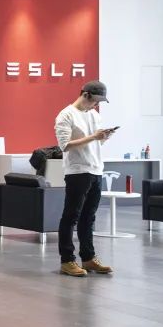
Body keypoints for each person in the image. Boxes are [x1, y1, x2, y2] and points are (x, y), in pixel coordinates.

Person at [54, 80, 116, 277]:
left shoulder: (94, 115)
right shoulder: (66, 115)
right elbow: (65, 145)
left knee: (89, 217)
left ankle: (88, 258)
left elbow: (95, 143)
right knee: (71, 216)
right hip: (77, 171)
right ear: (86, 95)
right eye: (95, 100)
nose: (96, 105)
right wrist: (93, 137)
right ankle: (67, 261)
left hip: (96, 170)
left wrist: (103, 138)